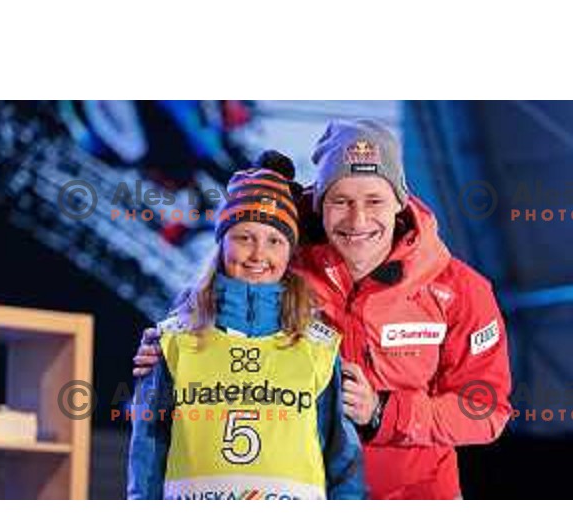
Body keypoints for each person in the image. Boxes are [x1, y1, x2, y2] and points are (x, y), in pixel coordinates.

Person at [134, 120, 513, 500]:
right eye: (341, 201)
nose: (358, 220)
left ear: (400, 201)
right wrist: (165, 349)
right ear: (319, 201)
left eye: (374, 200)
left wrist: (384, 413)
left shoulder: (459, 289)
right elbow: (214, 301)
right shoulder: (285, 258)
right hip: (299, 491)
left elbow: (487, 410)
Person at [127, 157, 365, 500]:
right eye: (244, 237)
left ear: (290, 252)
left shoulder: (320, 348)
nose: (258, 254)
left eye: (275, 241)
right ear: (221, 242)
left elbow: (344, 465)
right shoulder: (171, 343)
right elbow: (147, 455)